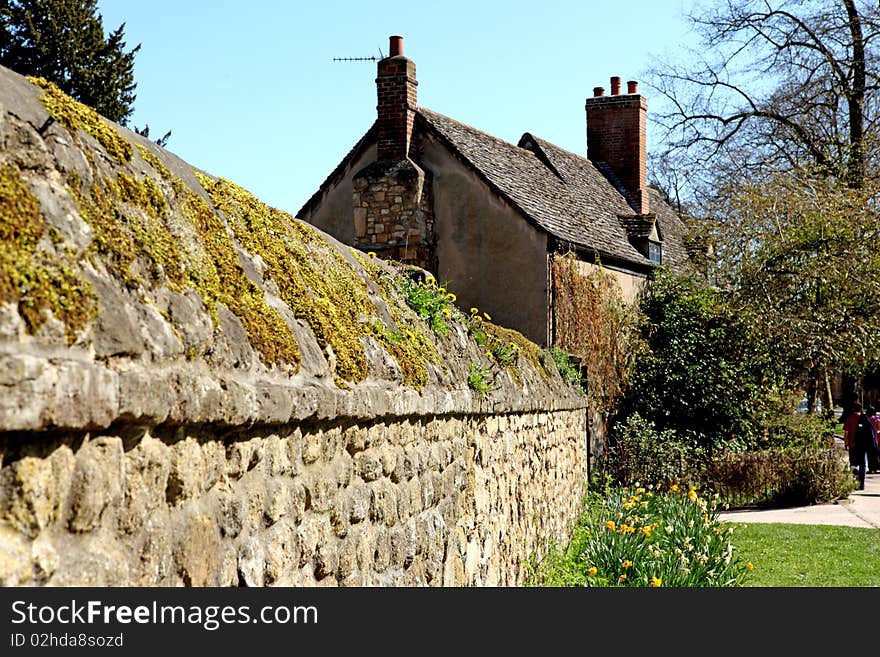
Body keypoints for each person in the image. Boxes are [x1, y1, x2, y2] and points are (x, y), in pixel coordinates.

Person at [843, 402, 876, 490]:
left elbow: (846, 433)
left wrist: (846, 443)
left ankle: (856, 482)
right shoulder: (865, 418)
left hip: (853, 445)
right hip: (863, 445)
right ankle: (862, 484)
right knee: (863, 465)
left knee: (853, 464)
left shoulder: (849, 419)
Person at [867, 406, 880, 474]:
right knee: (877, 454)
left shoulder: (867, 419)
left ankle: (871, 468)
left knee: (870, 455)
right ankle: (877, 467)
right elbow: (879, 429)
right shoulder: (877, 419)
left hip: (869, 439)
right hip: (877, 438)